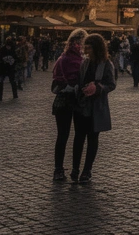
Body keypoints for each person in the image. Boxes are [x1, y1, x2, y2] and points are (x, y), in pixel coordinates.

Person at [69, 33, 116, 183]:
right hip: (82, 105)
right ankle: (75, 168)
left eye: (89, 47)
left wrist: (98, 87)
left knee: (92, 138)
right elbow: (79, 79)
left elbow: (111, 84)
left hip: (96, 106)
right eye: (85, 47)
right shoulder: (85, 63)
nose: (86, 50)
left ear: (96, 48)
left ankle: (87, 170)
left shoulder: (106, 64)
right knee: (78, 138)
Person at [50, 29, 87, 182]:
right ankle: (72, 169)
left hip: (66, 99)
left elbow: (56, 79)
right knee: (74, 136)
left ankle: (61, 169)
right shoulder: (80, 60)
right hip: (73, 99)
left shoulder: (62, 58)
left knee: (64, 136)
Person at [0, 35, 19, 100]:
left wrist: (13, 63)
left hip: (10, 69)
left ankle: (15, 95)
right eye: (7, 46)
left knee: (12, 81)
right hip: (3, 69)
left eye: (9, 46)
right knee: (0, 82)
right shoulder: (3, 49)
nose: (8, 47)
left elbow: (16, 59)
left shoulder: (13, 50)